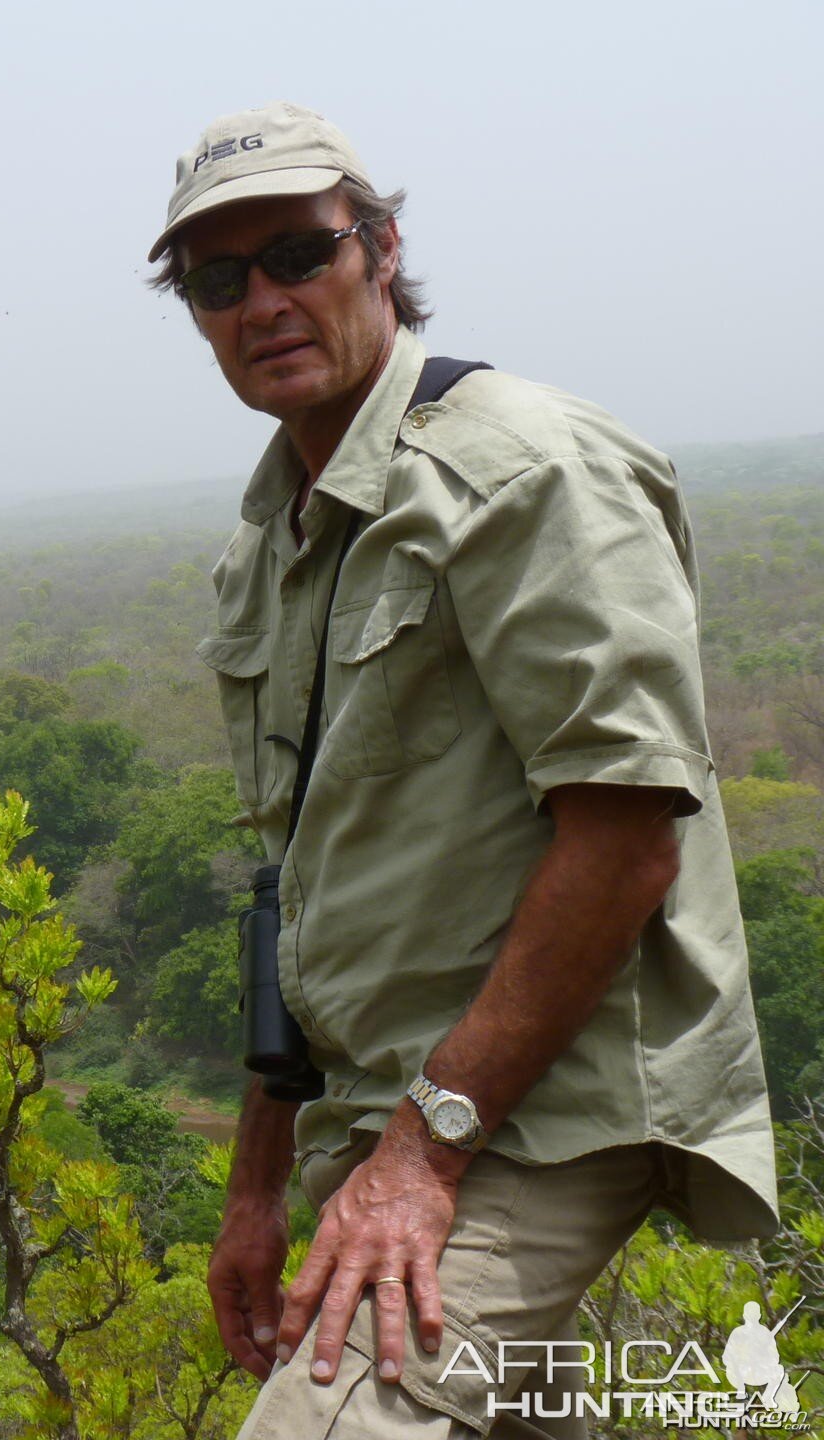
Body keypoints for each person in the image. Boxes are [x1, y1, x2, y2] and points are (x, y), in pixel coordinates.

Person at [147, 102, 780, 1438]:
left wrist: (423, 1153)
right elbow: (296, 891)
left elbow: (625, 837)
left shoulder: (521, 468)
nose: (261, 301)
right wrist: (258, 1186)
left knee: (329, 1416)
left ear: (378, 248)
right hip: (391, 1105)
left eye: (297, 255)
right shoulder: (271, 546)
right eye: (219, 280)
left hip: (538, 1103)